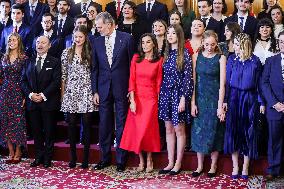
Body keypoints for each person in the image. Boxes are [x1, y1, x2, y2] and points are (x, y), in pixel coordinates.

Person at [92, 12, 134, 172]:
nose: (98, 29)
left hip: (122, 88)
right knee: (104, 123)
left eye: (100, 26)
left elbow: (132, 67)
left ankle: (121, 160)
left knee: (122, 123)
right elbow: (94, 68)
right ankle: (104, 158)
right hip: (103, 88)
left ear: (109, 24)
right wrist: (95, 90)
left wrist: (131, 89)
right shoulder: (96, 42)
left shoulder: (127, 38)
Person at [120, 33, 163, 173]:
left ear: (154, 44)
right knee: (137, 130)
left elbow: (158, 83)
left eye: (148, 42)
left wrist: (158, 100)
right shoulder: (136, 58)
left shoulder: (159, 60)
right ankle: (141, 161)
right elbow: (131, 80)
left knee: (148, 130)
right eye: (143, 42)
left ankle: (150, 158)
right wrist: (132, 100)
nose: (145, 45)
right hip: (136, 98)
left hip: (151, 99)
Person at [224, 33, 263, 179]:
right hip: (234, 98)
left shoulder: (255, 61)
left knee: (248, 132)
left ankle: (245, 167)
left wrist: (261, 102)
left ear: (243, 45)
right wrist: (225, 101)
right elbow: (227, 83)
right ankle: (235, 166)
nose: (233, 46)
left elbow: (259, 83)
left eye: (236, 44)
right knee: (233, 131)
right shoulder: (231, 59)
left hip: (250, 99)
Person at [158, 24, 193, 175]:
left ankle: (178, 163)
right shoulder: (165, 54)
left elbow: (188, 78)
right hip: (166, 93)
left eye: (173, 33)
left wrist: (184, 98)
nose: (170, 35)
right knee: (168, 129)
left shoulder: (184, 53)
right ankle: (170, 162)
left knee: (179, 129)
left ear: (179, 35)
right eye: (168, 33)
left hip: (179, 94)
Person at [21, 35, 61, 168]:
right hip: (32, 103)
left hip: (48, 102)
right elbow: (23, 81)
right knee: (36, 131)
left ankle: (48, 158)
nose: (40, 44)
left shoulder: (55, 62)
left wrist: (43, 95)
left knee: (49, 131)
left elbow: (56, 82)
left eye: (43, 42)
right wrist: (31, 95)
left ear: (49, 46)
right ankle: (39, 156)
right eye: (38, 42)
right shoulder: (28, 61)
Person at [191, 30, 226, 178]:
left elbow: (222, 84)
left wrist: (220, 106)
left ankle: (213, 165)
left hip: (214, 99)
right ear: (202, 43)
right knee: (198, 132)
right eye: (206, 44)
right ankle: (199, 165)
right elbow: (193, 81)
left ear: (216, 43)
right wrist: (192, 102)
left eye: (212, 44)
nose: (209, 47)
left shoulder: (221, 58)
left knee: (214, 131)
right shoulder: (196, 56)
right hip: (200, 98)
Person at [61, 25, 94, 169]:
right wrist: (63, 95)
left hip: (87, 92)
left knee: (86, 126)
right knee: (72, 126)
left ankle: (85, 159)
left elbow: (94, 74)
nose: (78, 39)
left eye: (80, 37)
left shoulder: (91, 53)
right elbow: (63, 76)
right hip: (71, 92)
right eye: (76, 37)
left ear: (85, 37)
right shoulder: (66, 52)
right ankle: (73, 158)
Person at [0, 33, 27, 164]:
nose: (11, 42)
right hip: (4, 92)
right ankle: (10, 150)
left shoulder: (23, 58)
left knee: (17, 122)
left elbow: (25, 79)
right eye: (9, 40)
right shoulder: (3, 58)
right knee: (5, 121)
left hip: (18, 91)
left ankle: (18, 150)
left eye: (14, 40)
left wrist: (24, 96)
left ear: (19, 42)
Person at [261, 31, 284, 182]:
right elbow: (264, 83)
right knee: (274, 140)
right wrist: (275, 103)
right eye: (281, 41)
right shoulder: (270, 61)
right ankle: (273, 169)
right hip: (274, 108)